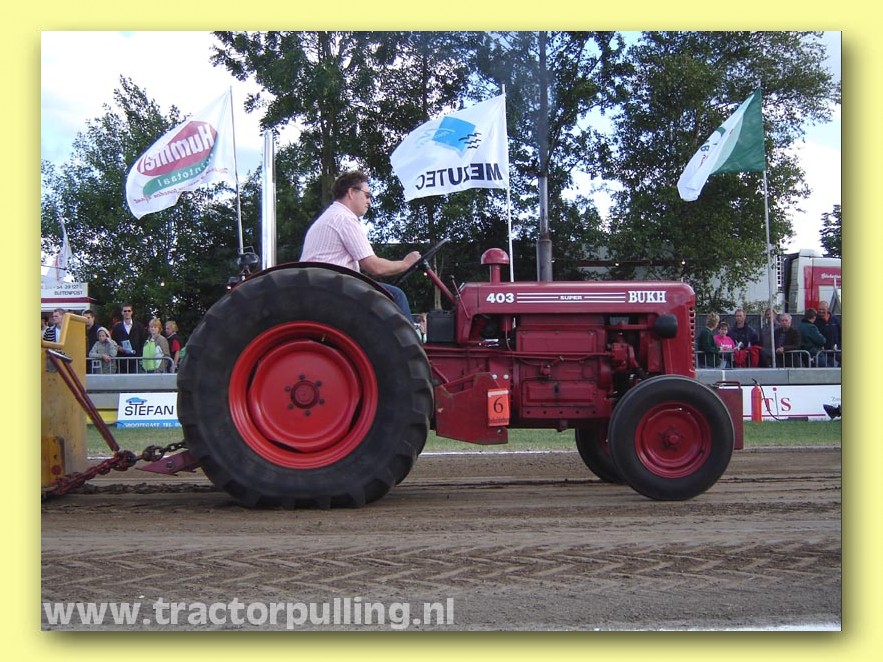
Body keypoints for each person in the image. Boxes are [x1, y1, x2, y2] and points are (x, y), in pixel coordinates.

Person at [300, 171, 421, 320]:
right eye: (367, 195)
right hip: (331, 289)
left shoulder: (331, 216)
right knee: (396, 295)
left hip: (321, 286)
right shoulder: (344, 219)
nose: (369, 202)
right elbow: (375, 267)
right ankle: (409, 337)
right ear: (351, 192)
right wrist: (406, 263)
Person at [111, 304, 147, 374]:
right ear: (122, 312)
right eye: (125, 311)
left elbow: (143, 342)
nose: (127, 313)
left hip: (135, 360)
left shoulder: (139, 326)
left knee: (134, 380)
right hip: (121, 361)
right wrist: (118, 348)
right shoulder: (117, 327)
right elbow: (113, 343)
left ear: (132, 312)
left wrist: (139, 354)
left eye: (129, 311)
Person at [814, 300, 841, 366]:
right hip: (821, 353)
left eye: (823, 309)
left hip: (835, 352)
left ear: (828, 309)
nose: (821, 311)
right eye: (819, 309)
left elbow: (840, 333)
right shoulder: (815, 320)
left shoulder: (834, 319)